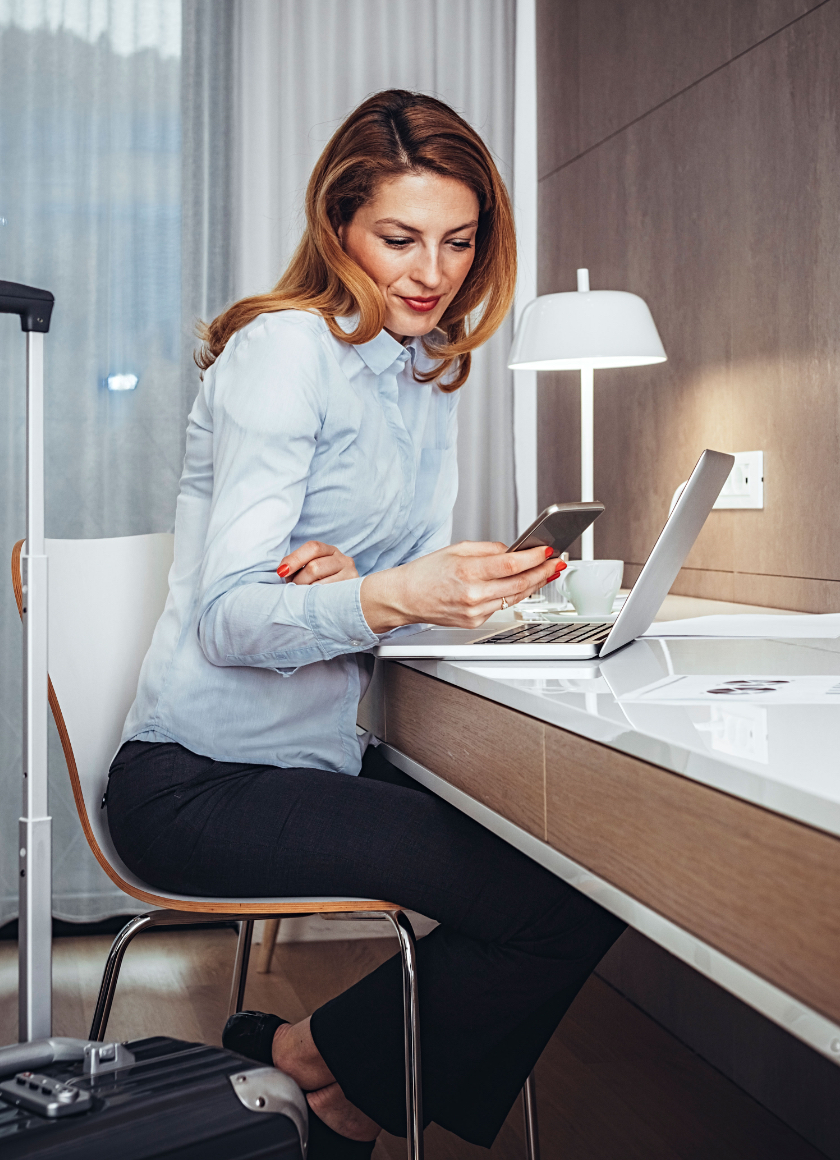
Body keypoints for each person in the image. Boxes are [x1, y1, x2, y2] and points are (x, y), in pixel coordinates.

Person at [105, 90, 624, 1158]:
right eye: (399, 238)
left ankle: (315, 1063)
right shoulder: (285, 349)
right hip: (197, 778)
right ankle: (320, 1066)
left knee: (599, 868)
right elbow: (231, 619)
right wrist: (390, 592)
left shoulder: (425, 374)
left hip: (317, 761)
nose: (431, 271)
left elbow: (359, 601)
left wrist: (386, 585)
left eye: (458, 241)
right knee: (557, 901)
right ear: (338, 227)